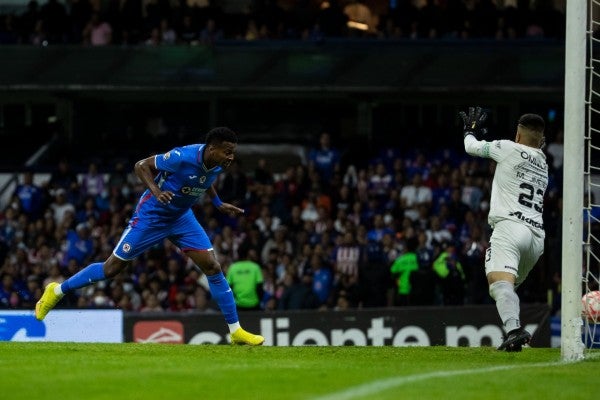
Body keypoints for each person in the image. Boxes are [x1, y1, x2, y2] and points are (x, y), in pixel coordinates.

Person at [35, 127, 264, 345]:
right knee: (112, 268)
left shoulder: (216, 164)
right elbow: (140, 166)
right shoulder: (181, 156)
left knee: (213, 267)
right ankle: (56, 290)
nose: (231, 157)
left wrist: (217, 203)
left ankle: (235, 331)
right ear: (212, 148)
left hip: (182, 218)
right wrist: (156, 192)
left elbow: (205, 180)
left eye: (232, 152)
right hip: (152, 216)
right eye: (227, 152)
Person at [460, 107, 547, 352]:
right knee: (508, 287)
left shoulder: (508, 147)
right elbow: (534, 143)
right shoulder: (542, 161)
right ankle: (515, 338)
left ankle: (514, 331)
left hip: (510, 228)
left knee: (499, 284)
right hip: (536, 237)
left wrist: (470, 131)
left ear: (517, 135)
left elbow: (472, 147)